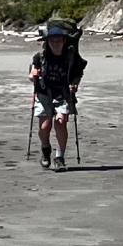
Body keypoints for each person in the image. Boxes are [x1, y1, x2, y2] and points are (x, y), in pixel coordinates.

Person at [30, 23, 87, 170]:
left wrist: (75, 84)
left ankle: (59, 157)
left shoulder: (71, 56)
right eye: (52, 41)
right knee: (44, 126)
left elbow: (79, 72)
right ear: (47, 42)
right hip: (44, 92)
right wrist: (33, 75)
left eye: (59, 40)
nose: (56, 43)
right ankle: (45, 149)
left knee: (61, 122)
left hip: (63, 93)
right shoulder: (40, 57)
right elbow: (32, 73)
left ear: (63, 41)